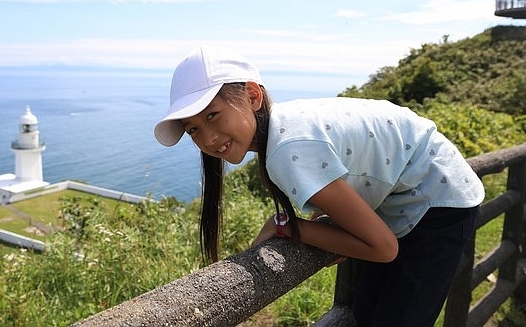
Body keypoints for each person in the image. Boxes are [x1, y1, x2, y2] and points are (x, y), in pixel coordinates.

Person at [154, 46, 485, 327]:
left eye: (212, 116)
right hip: (411, 191)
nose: (208, 138)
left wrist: (288, 226)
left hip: (437, 199)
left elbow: (383, 248)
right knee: (367, 313)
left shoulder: (287, 149)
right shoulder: (285, 125)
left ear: (253, 96)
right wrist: (331, 226)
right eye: (193, 129)